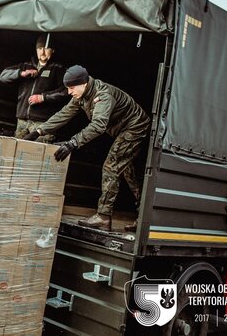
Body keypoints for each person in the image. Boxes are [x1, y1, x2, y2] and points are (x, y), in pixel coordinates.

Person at [24, 65, 150, 232]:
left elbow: (98, 125)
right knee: (129, 172)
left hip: (135, 128)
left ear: (83, 83)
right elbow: (64, 113)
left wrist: (72, 143)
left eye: (71, 88)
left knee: (111, 167)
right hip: (122, 129)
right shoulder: (82, 94)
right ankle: (143, 219)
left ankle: (104, 217)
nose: (69, 92)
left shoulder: (103, 95)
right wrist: (38, 131)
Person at [0, 34, 69, 142]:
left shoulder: (58, 69)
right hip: (22, 121)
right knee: (17, 150)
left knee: (37, 153)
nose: (43, 52)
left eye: (46, 48)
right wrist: (21, 73)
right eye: (40, 48)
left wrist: (43, 97)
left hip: (43, 123)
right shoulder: (26, 65)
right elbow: (3, 76)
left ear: (53, 50)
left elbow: (66, 91)